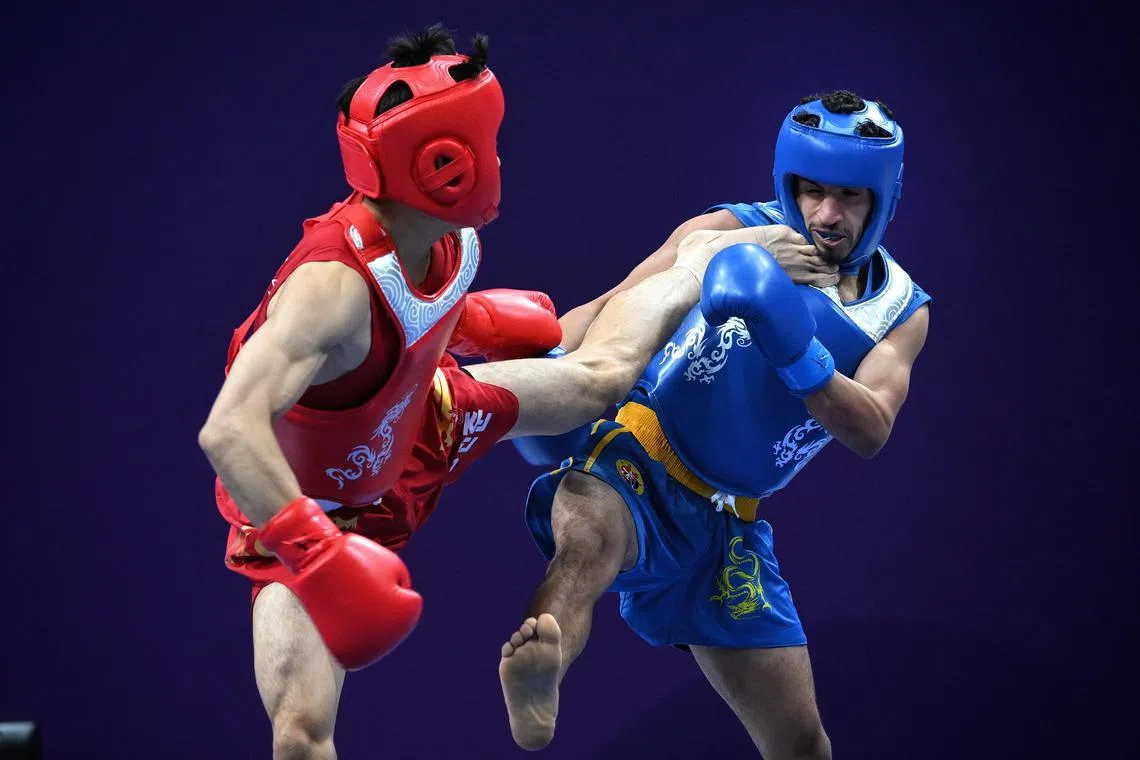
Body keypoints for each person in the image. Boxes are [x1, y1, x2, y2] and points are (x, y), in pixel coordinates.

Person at [199, 24, 782, 760]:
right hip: (315, 510)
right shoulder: (331, 290)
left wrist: (471, 323)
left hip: (421, 421)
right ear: (445, 162)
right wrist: (316, 553)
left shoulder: (449, 240)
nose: (500, 159)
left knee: (595, 379)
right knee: (300, 735)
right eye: (489, 141)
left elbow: (403, 328)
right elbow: (228, 428)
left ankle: (700, 261)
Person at [499, 89, 932, 760]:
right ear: (786, 182)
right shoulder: (728, 229)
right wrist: (533, 368)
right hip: (639, 459)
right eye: (811, 190)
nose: (825, 213)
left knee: (799, 743)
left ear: (883, 199)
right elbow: (618, 303)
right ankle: (542, 659)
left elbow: (871, 427)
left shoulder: (899, 308)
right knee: (586, 543)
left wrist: (795, 348)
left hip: (728, 528)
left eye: (847, 196)